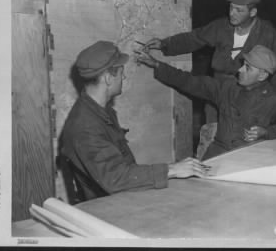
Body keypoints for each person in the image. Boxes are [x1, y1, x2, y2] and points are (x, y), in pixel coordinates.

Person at [61, 41, 209, 200]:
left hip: (121, 196)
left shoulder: (100, 111)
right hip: (108, 207)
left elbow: (124, 168)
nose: (123, 77)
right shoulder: (85, 127)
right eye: (120, 72)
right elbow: (116, 179)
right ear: (108, 78)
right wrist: (171, 170)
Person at [143, 0, 276, 122]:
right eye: (231, 7)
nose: (231, 13)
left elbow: (273, 71)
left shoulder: (267, 33)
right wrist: (164, 44)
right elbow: (194, 38)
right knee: (212, 132)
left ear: (252, 12)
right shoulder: (221, 26)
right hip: (217, 92)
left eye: (239, 10)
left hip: (249, 96)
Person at [136, 45, 276, 160]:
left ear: (262, 76)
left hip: (250, 159)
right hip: (218, 156)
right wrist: (157, 64)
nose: (240, 70)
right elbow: (190, 81)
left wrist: (266, 133)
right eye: (242, 65)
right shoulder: (227, 88)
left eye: (247, 68)